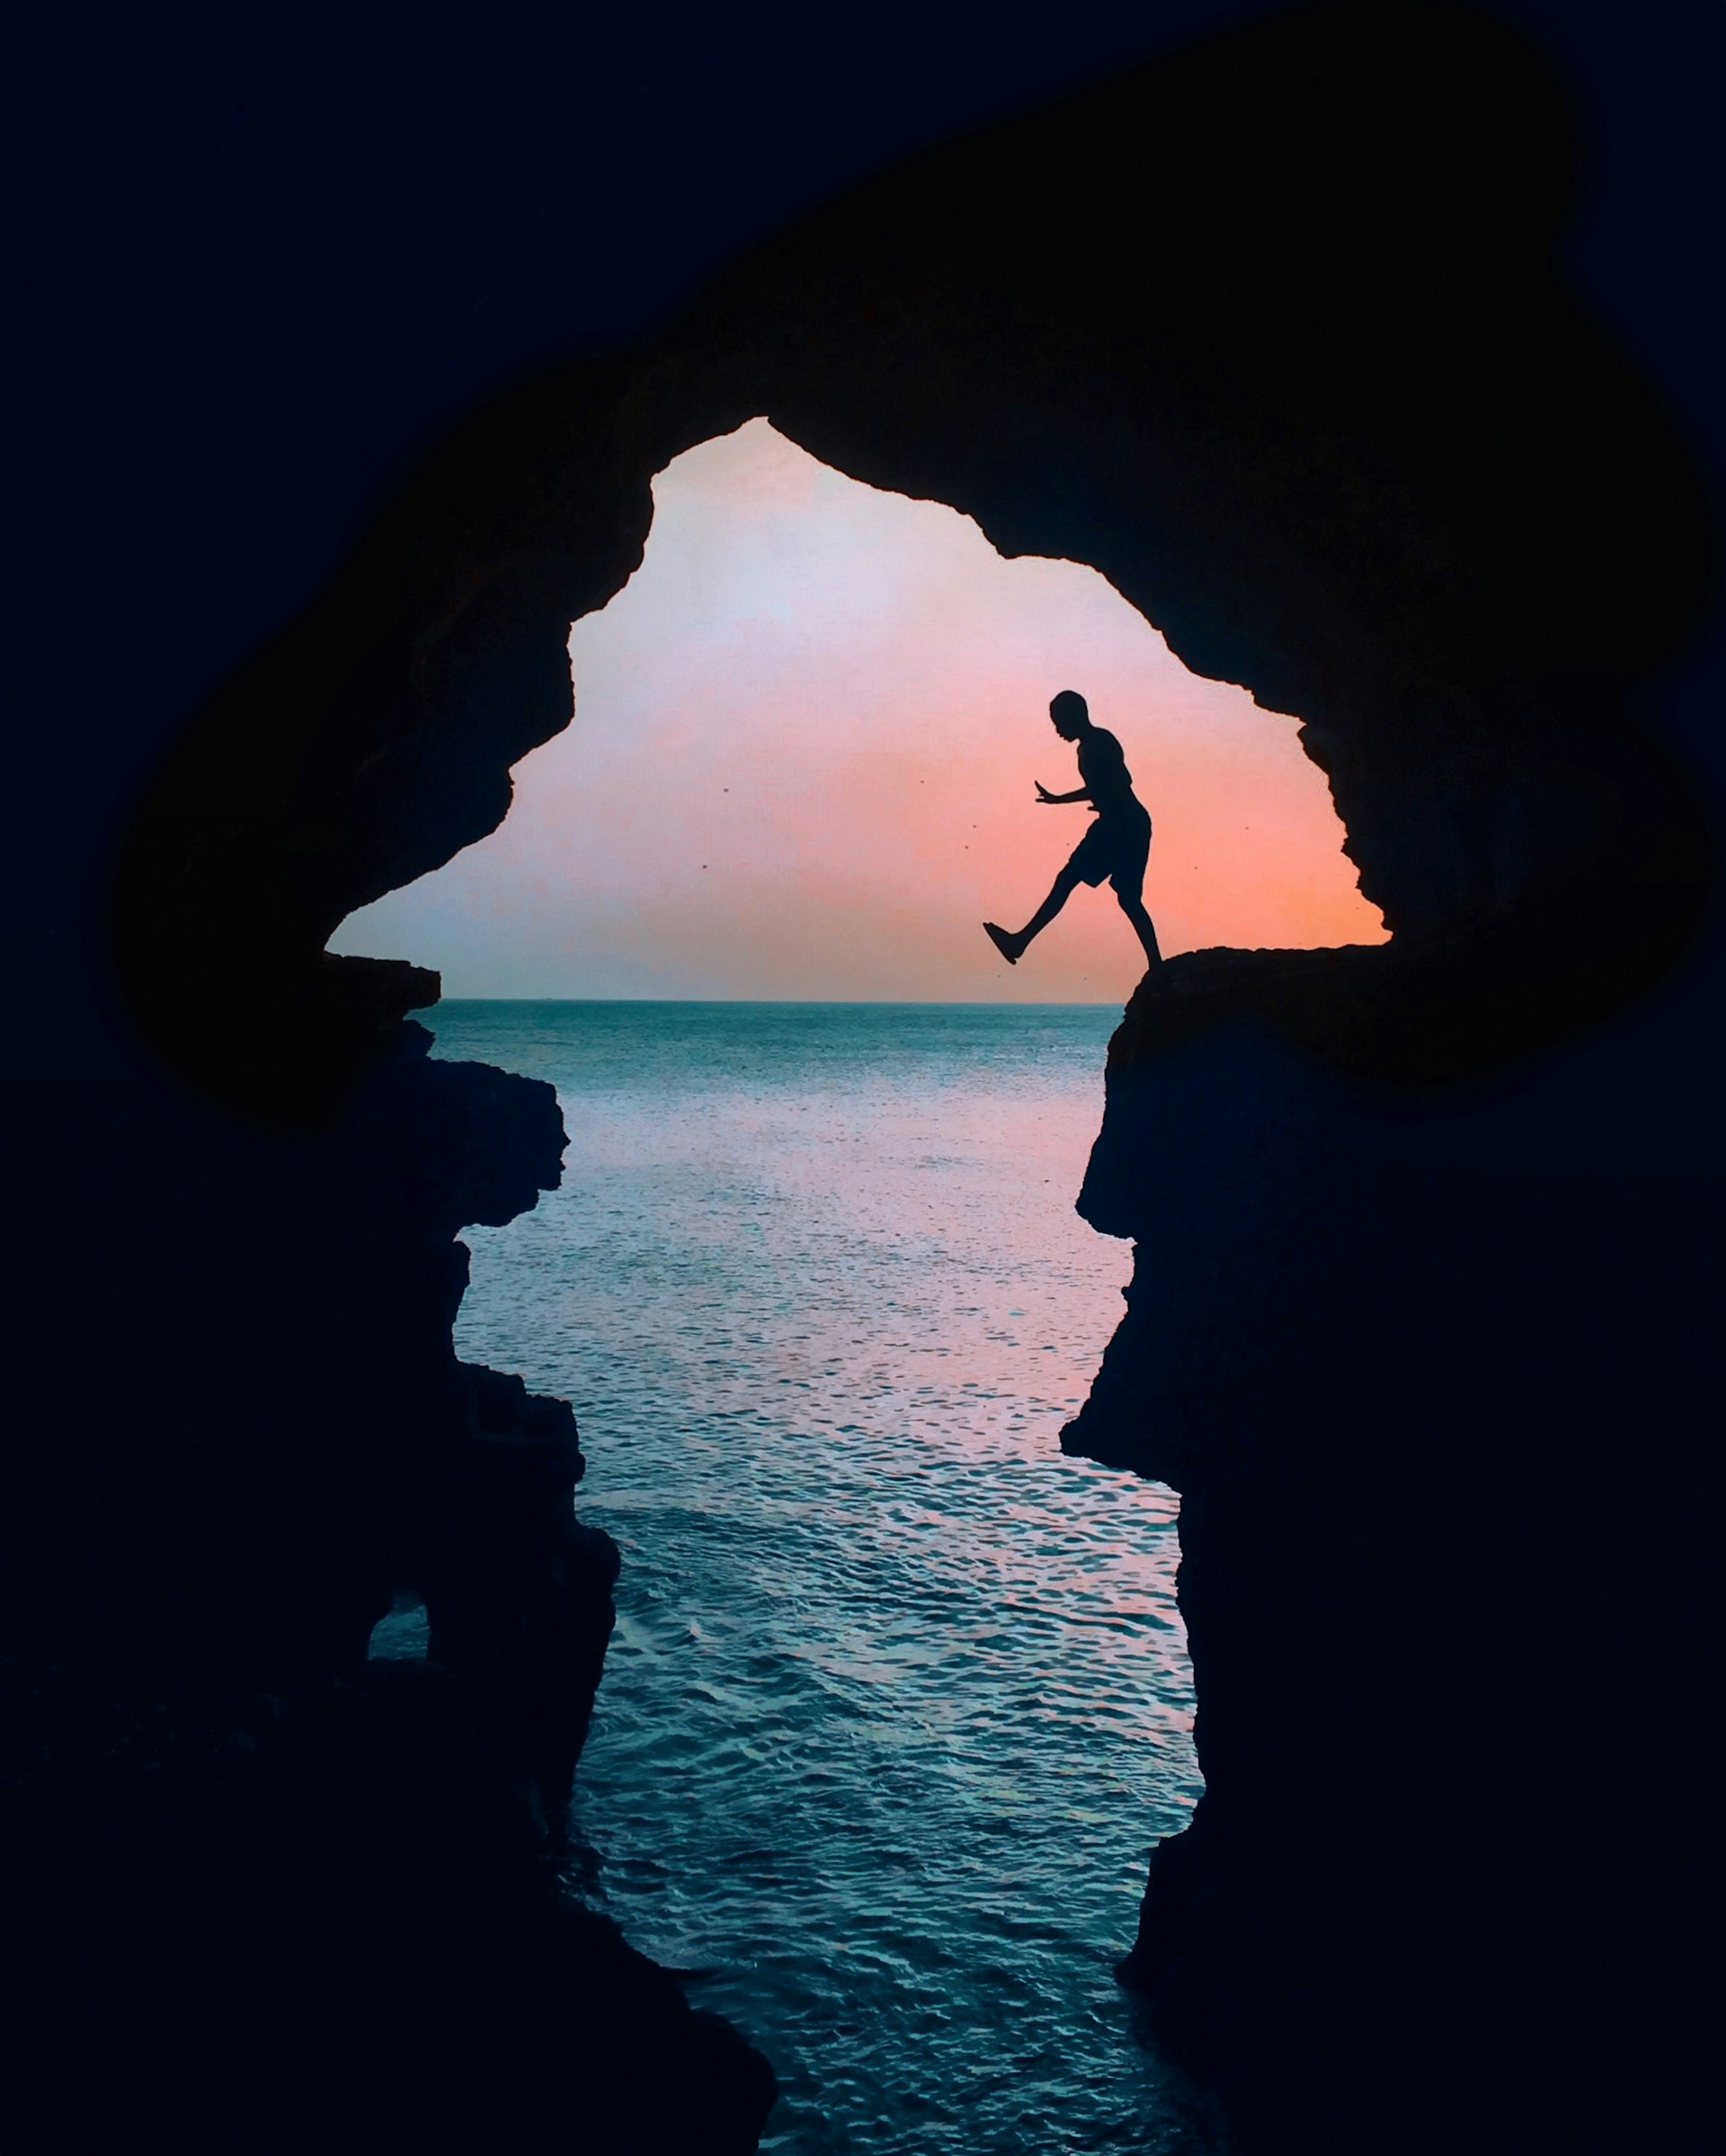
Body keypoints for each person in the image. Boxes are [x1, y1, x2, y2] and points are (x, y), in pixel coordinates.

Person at [984, 689, 1162, 969]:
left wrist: (1060, 799)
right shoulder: (1093, 743)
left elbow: (1116, 782)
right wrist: (1101, 800)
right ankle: (1156, 964)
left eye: (1059, 722)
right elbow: (1112, 784)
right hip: (1125, 821)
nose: (1057, 730)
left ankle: (1019, 942)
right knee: (1123, 896)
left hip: (1122, 824)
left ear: (1074, 716)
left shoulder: (1096, 744)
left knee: (1075, 881)